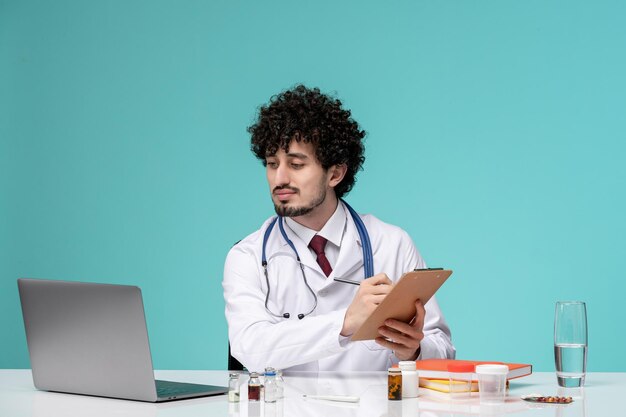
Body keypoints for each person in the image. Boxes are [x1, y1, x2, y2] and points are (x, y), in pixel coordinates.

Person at [223, 85, 455, 372]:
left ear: (335, 173)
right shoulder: (247, 255)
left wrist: (415, 350)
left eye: (296, 164)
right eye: (272, 164)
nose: (279, 178)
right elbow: (250, 349)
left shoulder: (392, 243)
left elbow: (443, 351)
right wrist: (346, 322)